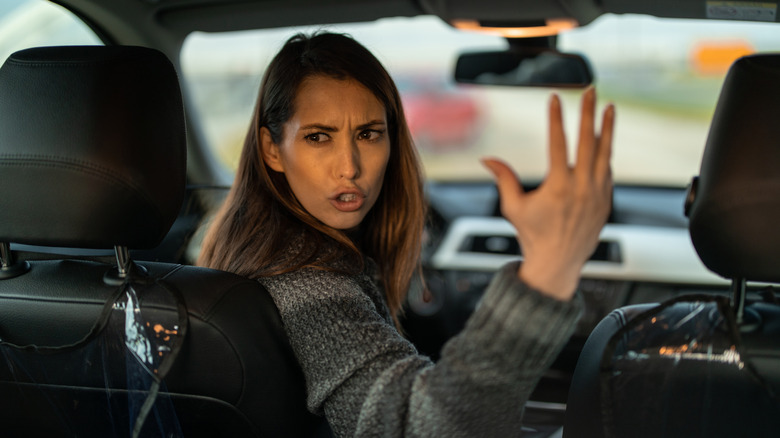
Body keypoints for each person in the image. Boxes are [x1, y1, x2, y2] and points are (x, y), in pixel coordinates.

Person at [198, 32, 614, 437]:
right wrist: (547, 271)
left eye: (368, 134)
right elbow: (416, 427)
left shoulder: (253, 245)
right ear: (272, 150)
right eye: (318, 137)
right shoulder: (305, 284)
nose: (349, 166)